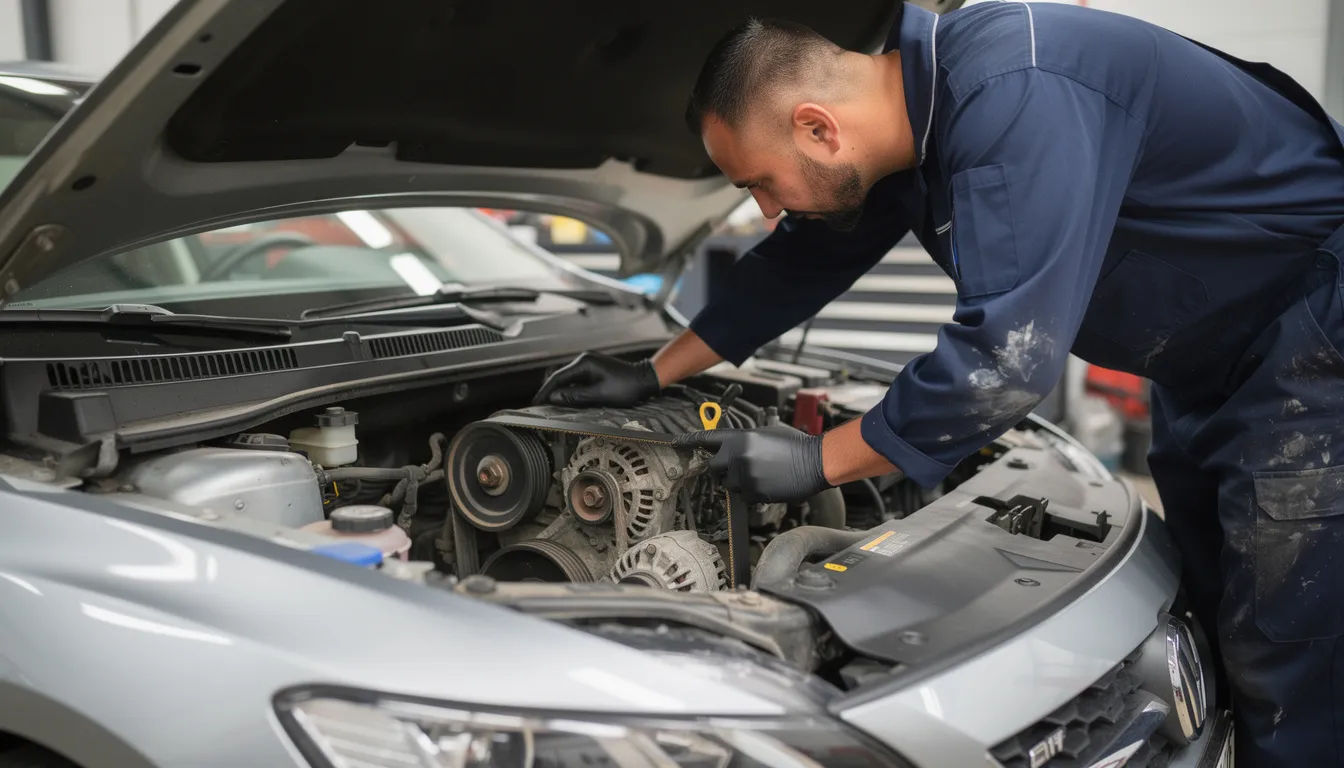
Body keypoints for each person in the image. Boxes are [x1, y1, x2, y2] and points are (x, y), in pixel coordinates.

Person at [534, 2, 1344, 762]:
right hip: (1206, 357)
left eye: (758, 183)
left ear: (817, 128)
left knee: (1287, 646)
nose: (766, 209)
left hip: (1306, 337)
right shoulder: (909, 125)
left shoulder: (1013, 94)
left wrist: (819, 462)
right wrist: (651, 370)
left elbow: (1002, 362)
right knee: (1217, 602)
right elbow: (800, 263)